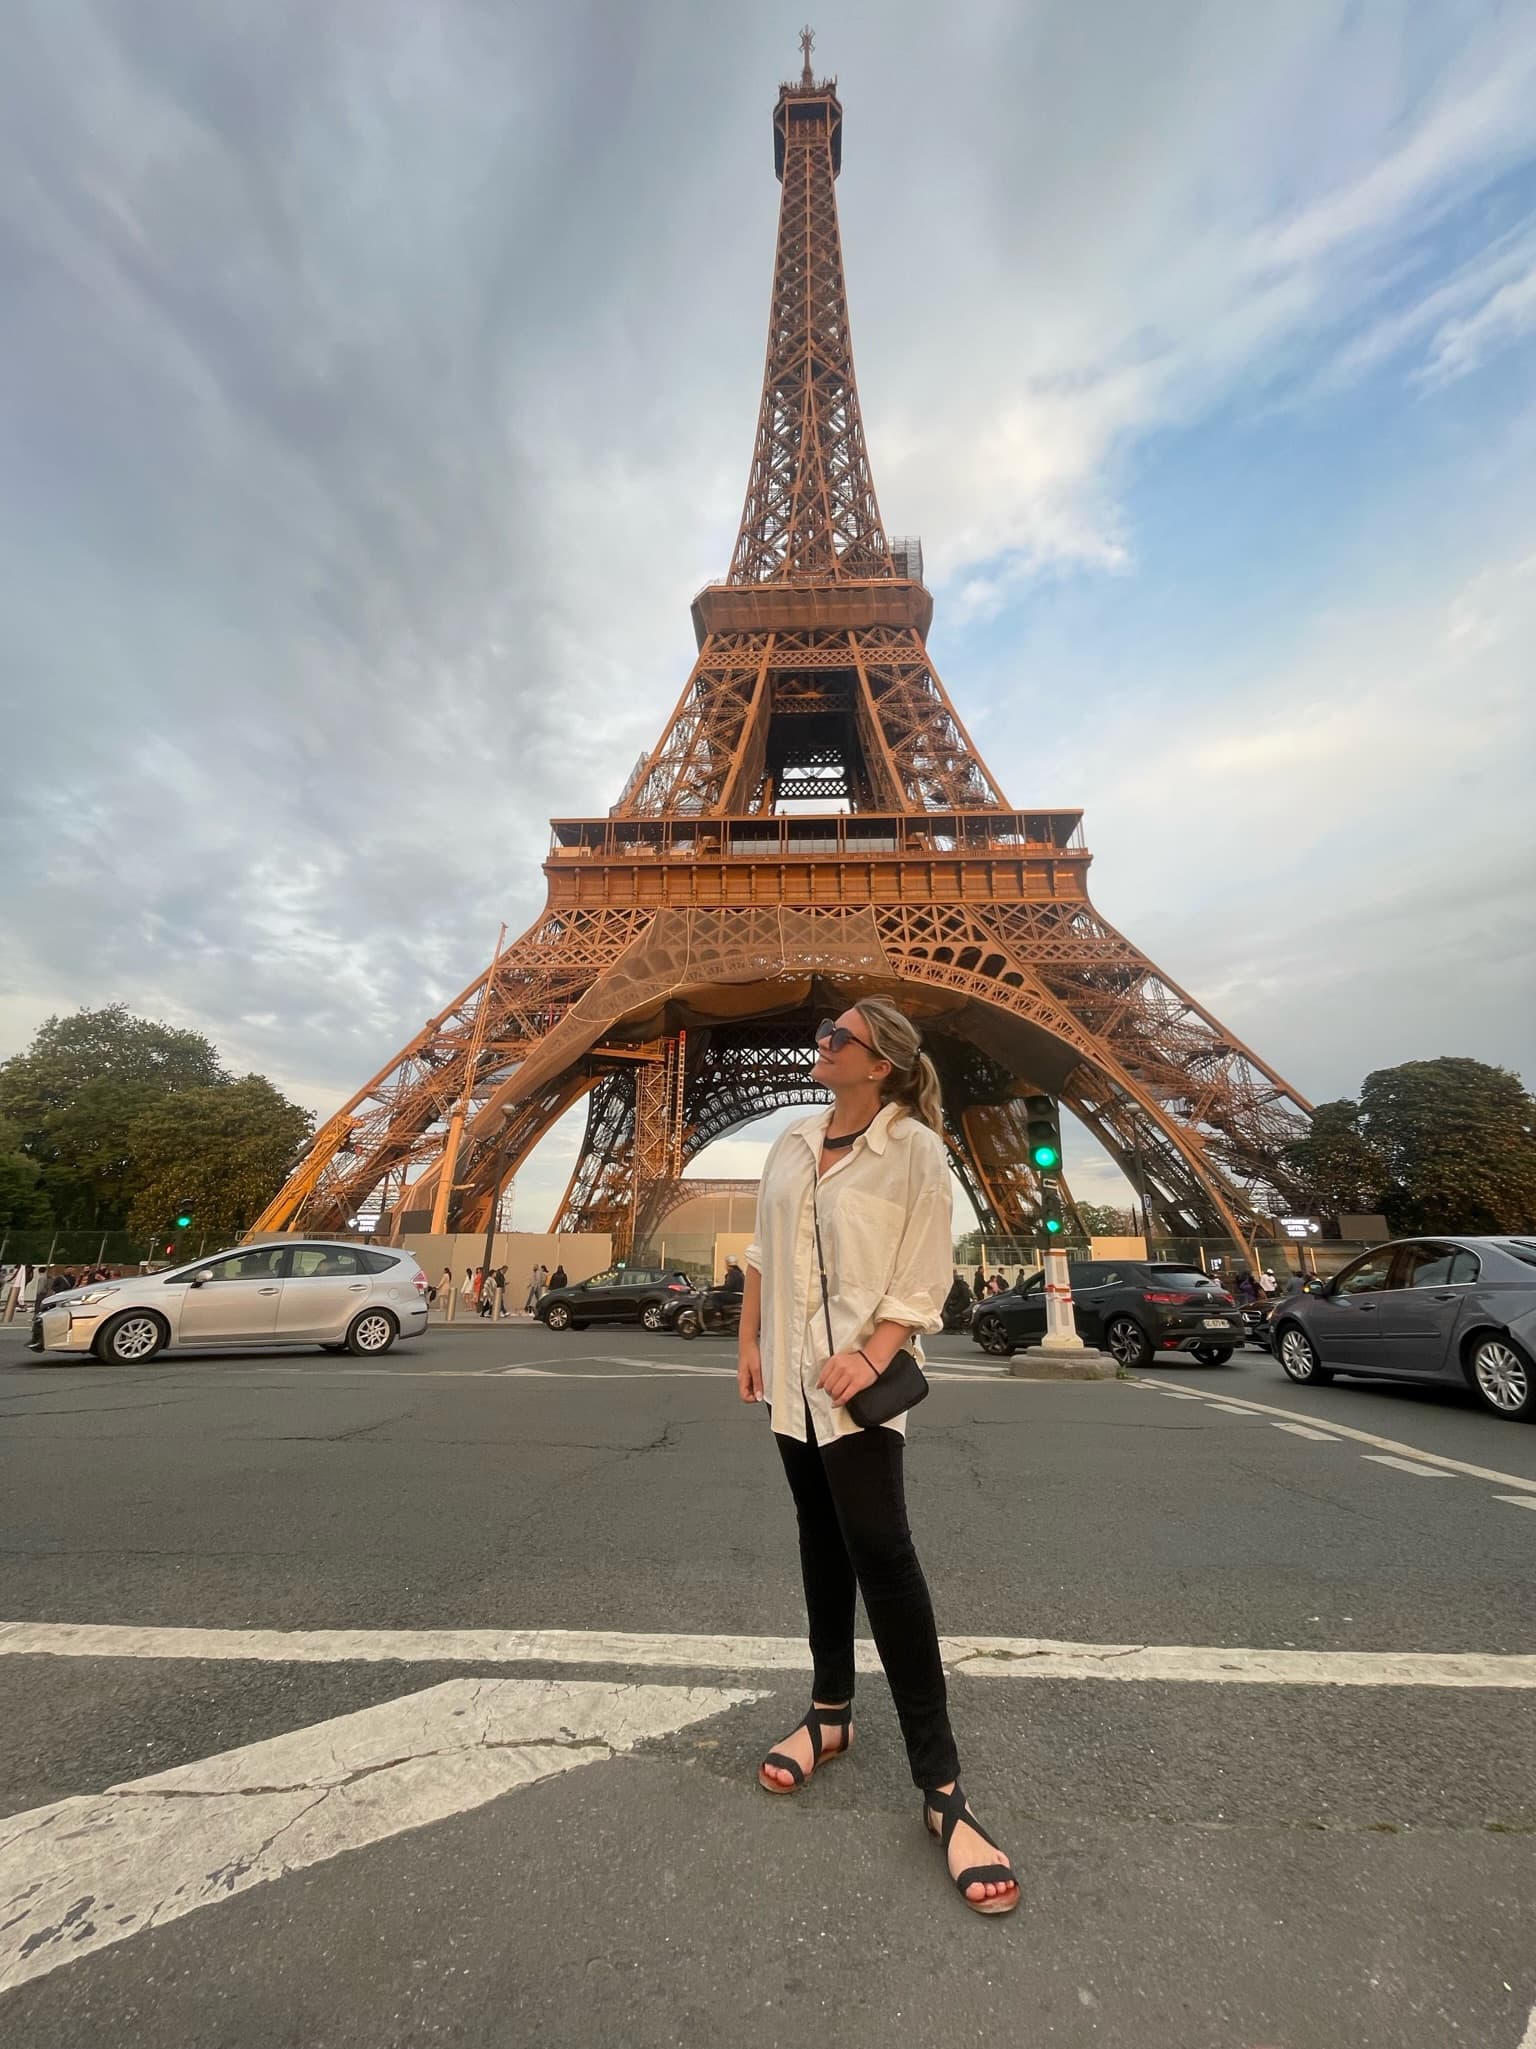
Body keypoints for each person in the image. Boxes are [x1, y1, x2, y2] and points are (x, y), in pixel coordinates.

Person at [738, 999, 1019, 1917]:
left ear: (880, 1063)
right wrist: (748, 1342)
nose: (820, 1043)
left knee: (885, 1559)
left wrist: (875, 1352)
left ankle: (943, 1787)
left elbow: (923, 1272)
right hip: (790, 1382)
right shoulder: (791, 1142)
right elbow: (761, 1251)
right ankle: (830, 1713)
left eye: (838, 1037)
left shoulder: (917, 1151)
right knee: (819, 1538)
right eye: (823, 1031)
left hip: (854, 1386)